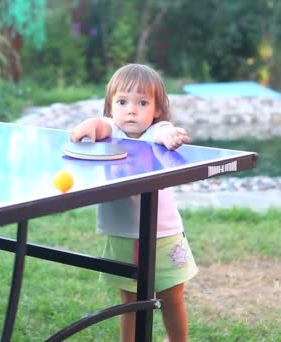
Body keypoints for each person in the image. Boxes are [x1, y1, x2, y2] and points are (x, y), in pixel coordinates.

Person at [70, 63, 197, 342]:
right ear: (110, 106)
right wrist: (86, 126)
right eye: (122, 101)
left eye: (142, 102)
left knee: (172, 297)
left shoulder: (156, 132)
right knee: (129, 304)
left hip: (164, 235)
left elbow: (165, 133)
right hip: (122, 237)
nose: (131, 110)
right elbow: (98, 125)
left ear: (157, 109)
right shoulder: (110, 130)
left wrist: (171, 136)